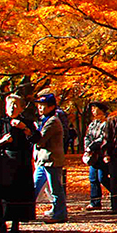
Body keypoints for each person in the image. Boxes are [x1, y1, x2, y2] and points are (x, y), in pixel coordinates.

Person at [0, 94, 38, 233]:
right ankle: (1, 225)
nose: (12, 107)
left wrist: (25, 129)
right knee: (1, 194)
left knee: (18, 194)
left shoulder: (28, 123)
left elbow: (36, 139)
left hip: (21, 162)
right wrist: (1, 141)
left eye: (15, 105)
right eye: (10, 104)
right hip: (3, 163)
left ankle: (16, 225)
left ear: (21, 108)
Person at [33, 91, 68, 223]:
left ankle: (60, 214)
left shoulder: (53, 121)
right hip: (43, 160)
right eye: (39, 105)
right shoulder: (44, 120)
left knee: (55, 189)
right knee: (35, 186)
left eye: (43, 105)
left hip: (52, 161)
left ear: (52, 107)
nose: (40, 108)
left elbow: (40, 140)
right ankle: (26, 212)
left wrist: (29, 132)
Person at [83, 102, 110, 211]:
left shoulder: (106, 123)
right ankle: (95, 202)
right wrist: (87, 148)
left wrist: (93, 146)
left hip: (102, 153)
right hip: (93, 155)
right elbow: (87, 136)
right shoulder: (93, 124)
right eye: (92, 109)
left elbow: (103, 138)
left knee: (102, 177)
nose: (93, 111)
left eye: (95, 109)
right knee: (93, 178)